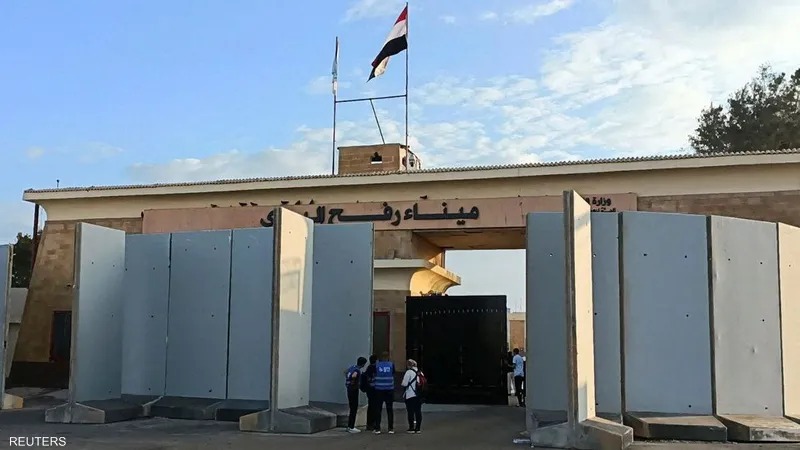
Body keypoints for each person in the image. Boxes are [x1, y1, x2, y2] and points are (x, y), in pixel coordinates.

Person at [372, 351, 395, 434]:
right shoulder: (391, 364)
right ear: (388, 357)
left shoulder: (377, 365)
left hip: (379, 389)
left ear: (381, 357)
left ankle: (377, 428)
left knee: (378, 409)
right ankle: (390, 428)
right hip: (389, 389)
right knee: (390, 409)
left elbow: (374, 375)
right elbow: (393, 374)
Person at [345, 356, 367, 433]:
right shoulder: (357, 370)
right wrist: (354, 382)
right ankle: (351, 426)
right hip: (353, 390)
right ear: (363, 364)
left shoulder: (352, 367)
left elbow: (346, 372)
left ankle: (349, 426)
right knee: (354, 408)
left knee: (352, 408)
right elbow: (354, 376)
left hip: (349, 389)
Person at [400, 359, 423, 434]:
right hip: (418, 395)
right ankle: (418, 428)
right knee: (418, 411)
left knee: (410, 411)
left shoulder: (408, 372)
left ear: (409, 365)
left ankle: (411, 428)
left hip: (410, 394)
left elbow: (404, 383)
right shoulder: (420, 372)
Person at [363, 354, 378, 431]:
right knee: (374, 407)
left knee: (371, 406)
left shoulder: (368, 368)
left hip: (369, 390)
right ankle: (373, 423)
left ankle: (369, 424)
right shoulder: (374, 368)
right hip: (374, 389)